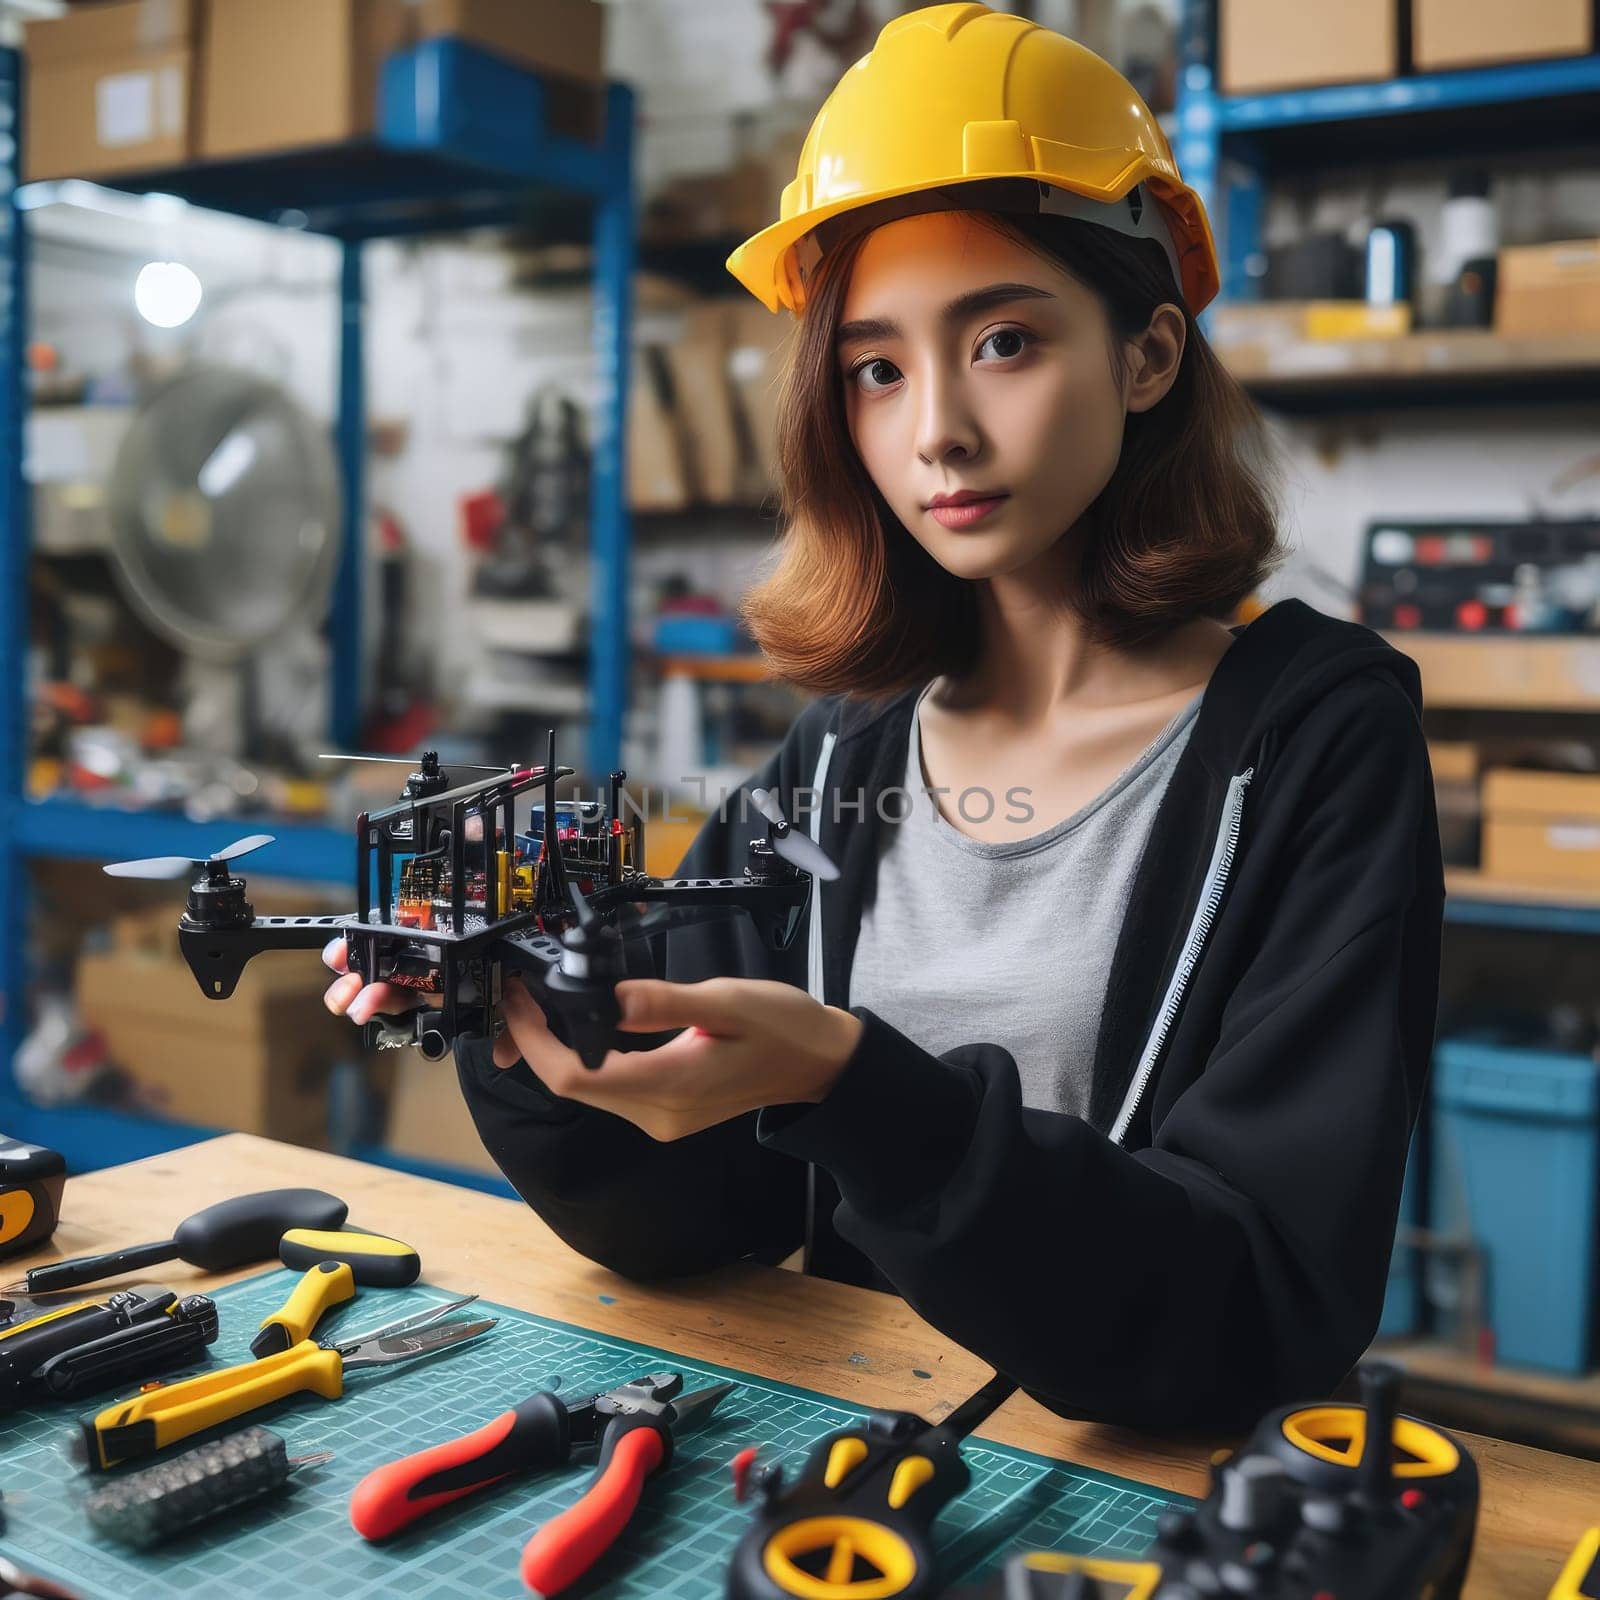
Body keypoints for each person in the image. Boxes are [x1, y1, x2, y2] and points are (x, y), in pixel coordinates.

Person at [324, 2, 1444, 1432]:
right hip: (855, 1442)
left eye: (1006, 341)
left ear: (1149, 357)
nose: (936, 434)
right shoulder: (847, 752)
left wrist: (855, 1089)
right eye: (877, 368)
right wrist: (524, 1032)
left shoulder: (1314, 746)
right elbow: (697, 1217)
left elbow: (1258, 1302)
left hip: (1152, 1486)